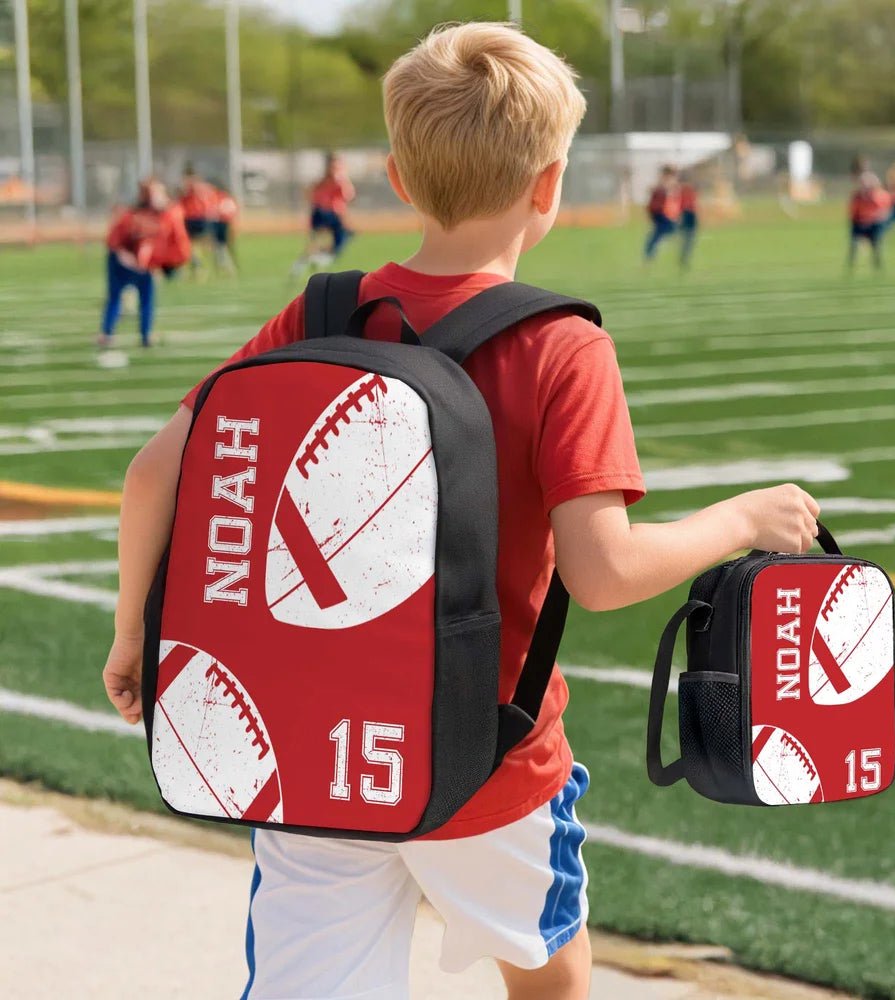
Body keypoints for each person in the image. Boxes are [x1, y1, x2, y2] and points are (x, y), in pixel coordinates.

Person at [101, 23, 821, 999]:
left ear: (397, 176)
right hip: (491, 760)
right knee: (547, 977)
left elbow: (154, 474)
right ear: (549, 183)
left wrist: (130, 635)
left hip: (317, 751)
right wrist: (741, 519)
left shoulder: (318, 317)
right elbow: (600, 572)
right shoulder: (563, 348)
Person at [98, 179, 190, 348]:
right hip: (122, 263)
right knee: (114, 297)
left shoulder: (167, 215)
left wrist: (163, 264)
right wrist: (129, 260)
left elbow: (173, 243)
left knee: (147, 299)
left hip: (145, 265)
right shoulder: (131, 216)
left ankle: (146, 335)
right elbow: (115, 242)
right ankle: (107, 333)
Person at [290, 153, 356, 277]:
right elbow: (348, 195)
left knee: (327, 242)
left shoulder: (325, 181)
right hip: (328, 214)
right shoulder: (336, 181)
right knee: (334, 240)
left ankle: (314, 261)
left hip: (325, 213)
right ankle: (314, 261)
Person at [178, 165, 217, 277]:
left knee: (189, 245)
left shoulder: (188, 185)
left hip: (191, 218)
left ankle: (197, 267)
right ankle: (198, 266)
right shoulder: (204, 186)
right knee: (195, 245)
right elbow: (210, 200)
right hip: (203, 218)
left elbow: (182, 197)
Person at [848, 170, 891, 271]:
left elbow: (884, 211)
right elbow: (853, 212)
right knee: (854, 242)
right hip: (860, 223)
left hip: (874, 224)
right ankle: (851, 264)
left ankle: (877, 263)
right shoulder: (857, 197)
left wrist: (873, 219)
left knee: (876, 242)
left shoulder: (880, 195)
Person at [643, 165, 680, 261]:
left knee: (663, 230)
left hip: (658, 210)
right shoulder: (664, 182)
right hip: (657, 210)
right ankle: (651, 250)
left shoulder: (664, 182)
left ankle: (651, 250)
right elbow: (658, 190)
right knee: (667, 229)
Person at [678, 174, 698, 270]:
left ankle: (684, 257)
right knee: (688, 239)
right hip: (687, 214)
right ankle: (684, 258)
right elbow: (685, 204)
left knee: (688, 239)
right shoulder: (685, 191)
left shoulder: (685, 190)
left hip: (689, 214)